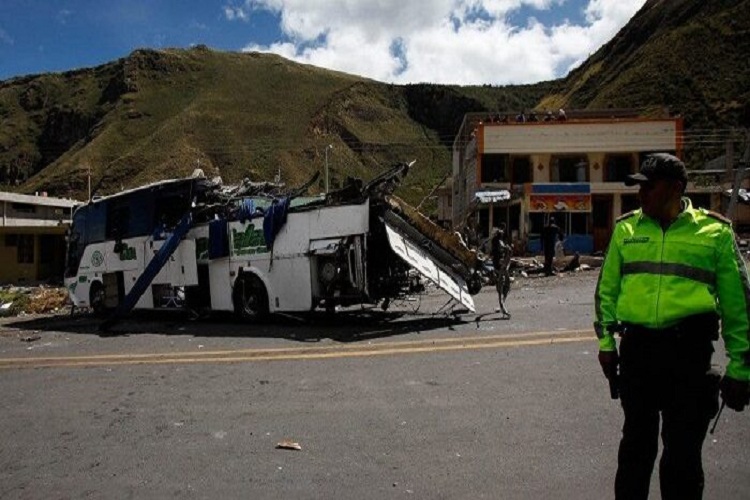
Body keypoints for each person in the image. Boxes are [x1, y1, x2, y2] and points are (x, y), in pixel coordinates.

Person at [594, 153, 750, 499]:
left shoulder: (714, 234)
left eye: (649, 186)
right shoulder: (626, 229)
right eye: (639, 187)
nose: (642, 193)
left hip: (689, 357)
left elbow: (739, 307)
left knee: (681, 458)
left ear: (676, 189)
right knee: (635, 451)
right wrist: (606, 345)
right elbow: (606, 292)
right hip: (638, 354)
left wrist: (741, 367)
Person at [490, 225, 511, 318]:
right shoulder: (497, 244)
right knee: (501, 287)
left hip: (502, 267)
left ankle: (502, 304)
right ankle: (502, 306)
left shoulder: (499, 243)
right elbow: (500, 255)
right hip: (500, 268)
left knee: (506, 286)